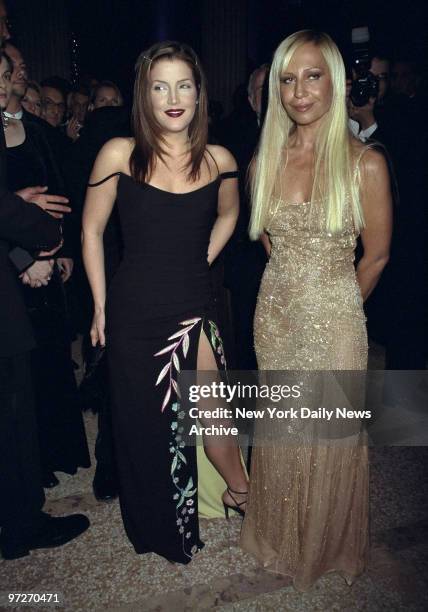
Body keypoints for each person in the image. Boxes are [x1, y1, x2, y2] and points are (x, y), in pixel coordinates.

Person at [82, 41, 248, 564]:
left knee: (212, 410)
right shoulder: (118, 153)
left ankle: (242, 491)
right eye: (160, 86)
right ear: (144, 95)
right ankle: (159, 525)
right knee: (146, 426)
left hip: (195, 300)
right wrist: (101, 307)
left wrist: (201, 258)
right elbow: (90, 231)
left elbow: (229, 216)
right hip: (133, 309)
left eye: (183, 85)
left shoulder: (220, 159)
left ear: (199, 94)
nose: (172, 97)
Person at [240, 30, 392, 589]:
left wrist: (331, 308)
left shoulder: (365, 162)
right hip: (274, 313)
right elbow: (270, 241)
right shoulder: (263, 160)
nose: (299, 91)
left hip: (335, 314)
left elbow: (375, 257)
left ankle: (324, 545)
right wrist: (290, 291)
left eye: (312, 75)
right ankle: (278, 534)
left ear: (337, 80)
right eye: (287, 78)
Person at [0, 1, 89, 559]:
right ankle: (22, 526)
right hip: (12, 283)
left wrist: (53, 248)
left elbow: (56, 192)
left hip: (27, 278)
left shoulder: (32, 133)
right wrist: (34, 243)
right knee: (11, 412)